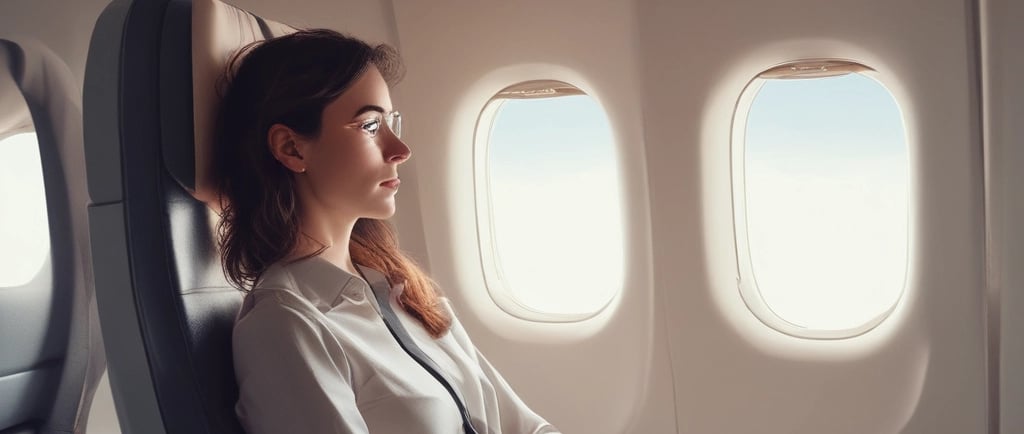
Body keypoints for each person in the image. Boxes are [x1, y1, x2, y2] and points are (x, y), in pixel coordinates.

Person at [213, 29, 560, 434]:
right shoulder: (285, 324)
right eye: (371, 125)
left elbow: (520, 424)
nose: (401, 149)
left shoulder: (398, 289)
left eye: (391, 121)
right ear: (292, 148)